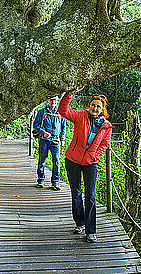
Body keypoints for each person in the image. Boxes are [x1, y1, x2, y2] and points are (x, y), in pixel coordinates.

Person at [58, 89, 113, 243]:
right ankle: (80, 223)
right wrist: (69, 94)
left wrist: (93, 156)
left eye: (98, 107)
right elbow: (63, 110)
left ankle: (91, 230)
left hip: (91, 163)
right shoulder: (80, 116)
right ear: (89, 105)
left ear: (102, 110)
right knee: (76, 193)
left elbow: (104, 145)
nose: (95, 108)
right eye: (93, 105)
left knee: (90, 196)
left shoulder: (106, 126)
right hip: (73, 160)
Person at [33, 95, 66, 190]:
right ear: (48, 100)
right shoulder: (41, 112)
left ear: (57, 100)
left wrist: (62, 139)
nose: (53, 102)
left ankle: (55, 182)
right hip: (44, 140)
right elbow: (35, 125)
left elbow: (63, 126)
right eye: (51, 100)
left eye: (55, 100)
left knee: (56, 161)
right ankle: (40, 180)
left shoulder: (60, 113)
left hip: (55, 140)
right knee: (42, 161)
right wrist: (43, 133)